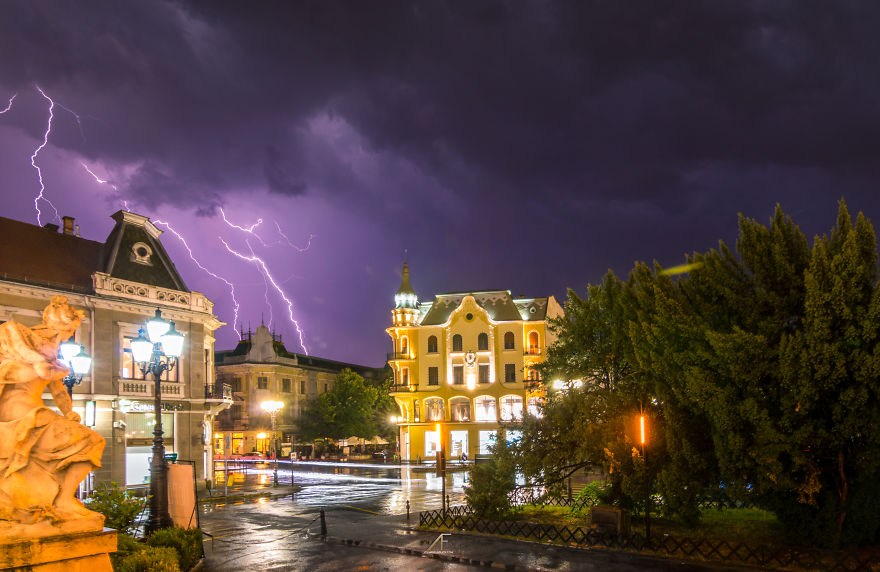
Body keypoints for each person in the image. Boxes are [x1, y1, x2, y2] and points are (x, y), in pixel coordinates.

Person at [0, 296, 105, 527]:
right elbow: (11, 369)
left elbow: (58, 391)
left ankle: (62, 499)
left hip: (34, 411)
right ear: (60, 326)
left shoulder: (50, 357)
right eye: (71, 331)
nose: (69, 337)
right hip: (22, 414)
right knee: (91, 441)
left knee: (90, 441)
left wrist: (69, 412)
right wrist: (38, 364)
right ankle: (64, 500)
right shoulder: (17, 341)